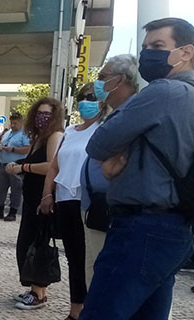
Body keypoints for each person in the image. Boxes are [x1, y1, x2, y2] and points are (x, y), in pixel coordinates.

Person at [80, 18, 194, 320]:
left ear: (186, 52)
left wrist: (120, 153)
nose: (148, 54)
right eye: (146, 47)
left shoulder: (163, 91)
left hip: (141, 228)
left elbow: (99, 144)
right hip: (176, 228)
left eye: (158, 46)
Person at [37, 83, 104, 320]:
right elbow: (54, 166)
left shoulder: (105, 128)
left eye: (92, 97)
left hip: (88, 201)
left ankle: (94, 310)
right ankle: (75, 311)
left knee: (92, 258)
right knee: (74, 258)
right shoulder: (70, 132)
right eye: (82, 97)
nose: (86, 101)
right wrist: (47, 194)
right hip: (65, 199)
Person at [78, 54, 139, 290]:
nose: (98, 83)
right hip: (96, 206)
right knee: (93, 273)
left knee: (104, 279)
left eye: (102, 78)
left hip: (110, 208)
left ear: (119, 80)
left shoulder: (131, 113)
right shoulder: (117, 113)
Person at [5, 97, 65, 310]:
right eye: (39, 113)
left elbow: (51, 166)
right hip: (31, 199)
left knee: (36, 245)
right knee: (28, 243)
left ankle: (38, 293)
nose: (42, 118)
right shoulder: (40, 138)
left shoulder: (55, 137)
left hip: (43, 199)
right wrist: (17, 165)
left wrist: (24, 168)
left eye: (47, 114)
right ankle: (36, 289)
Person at [0, 113, 30, 221]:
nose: (13, 125)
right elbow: (1, 143)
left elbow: (28, 149)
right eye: (11, 123)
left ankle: (12, 212)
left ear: (21, 122)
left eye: (15, 123)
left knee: (16, 189)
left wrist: (13, 149)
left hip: (16, 164)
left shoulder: (24, 134)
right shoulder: (7, 133)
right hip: (3, 164)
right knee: (0, 188)